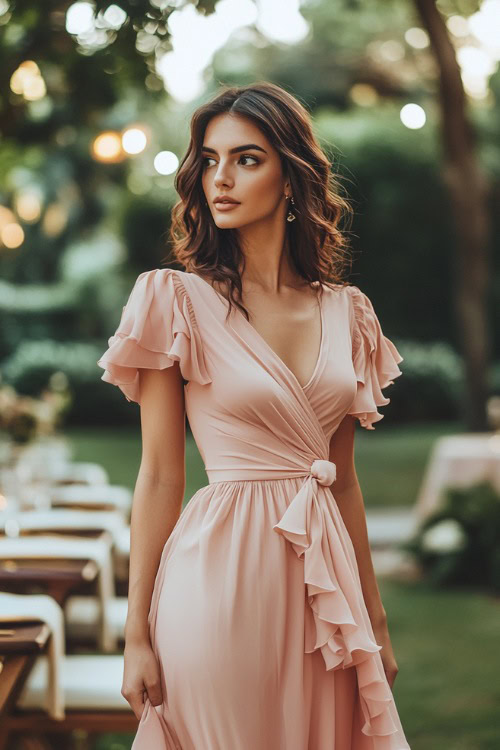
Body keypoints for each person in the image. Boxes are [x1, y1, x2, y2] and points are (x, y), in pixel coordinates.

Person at [97, 81, 410, 749]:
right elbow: (158, 477)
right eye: (209, 161)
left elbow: (343, 481)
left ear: (292, 176)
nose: (221, 179)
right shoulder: (173, 301)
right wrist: (135, 635)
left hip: (324, 598)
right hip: (216, 588)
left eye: (246, 159)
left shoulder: (347, 313)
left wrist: (375, 620)